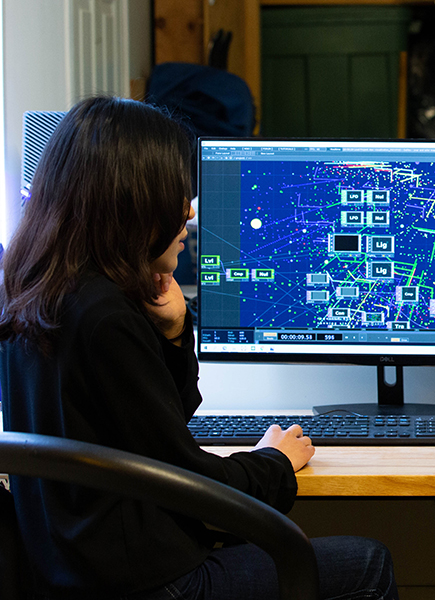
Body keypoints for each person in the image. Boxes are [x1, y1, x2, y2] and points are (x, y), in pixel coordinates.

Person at [0, 96, 398, 600]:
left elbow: (164, 423)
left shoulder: (42, 294)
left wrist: (172, 332)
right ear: (134, 202)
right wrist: (273, 462)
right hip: (152, 583)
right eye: (177, 195)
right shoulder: (104, 319)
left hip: (74, 573)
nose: (189, 213)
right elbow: (188, 484)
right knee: (369, 563)